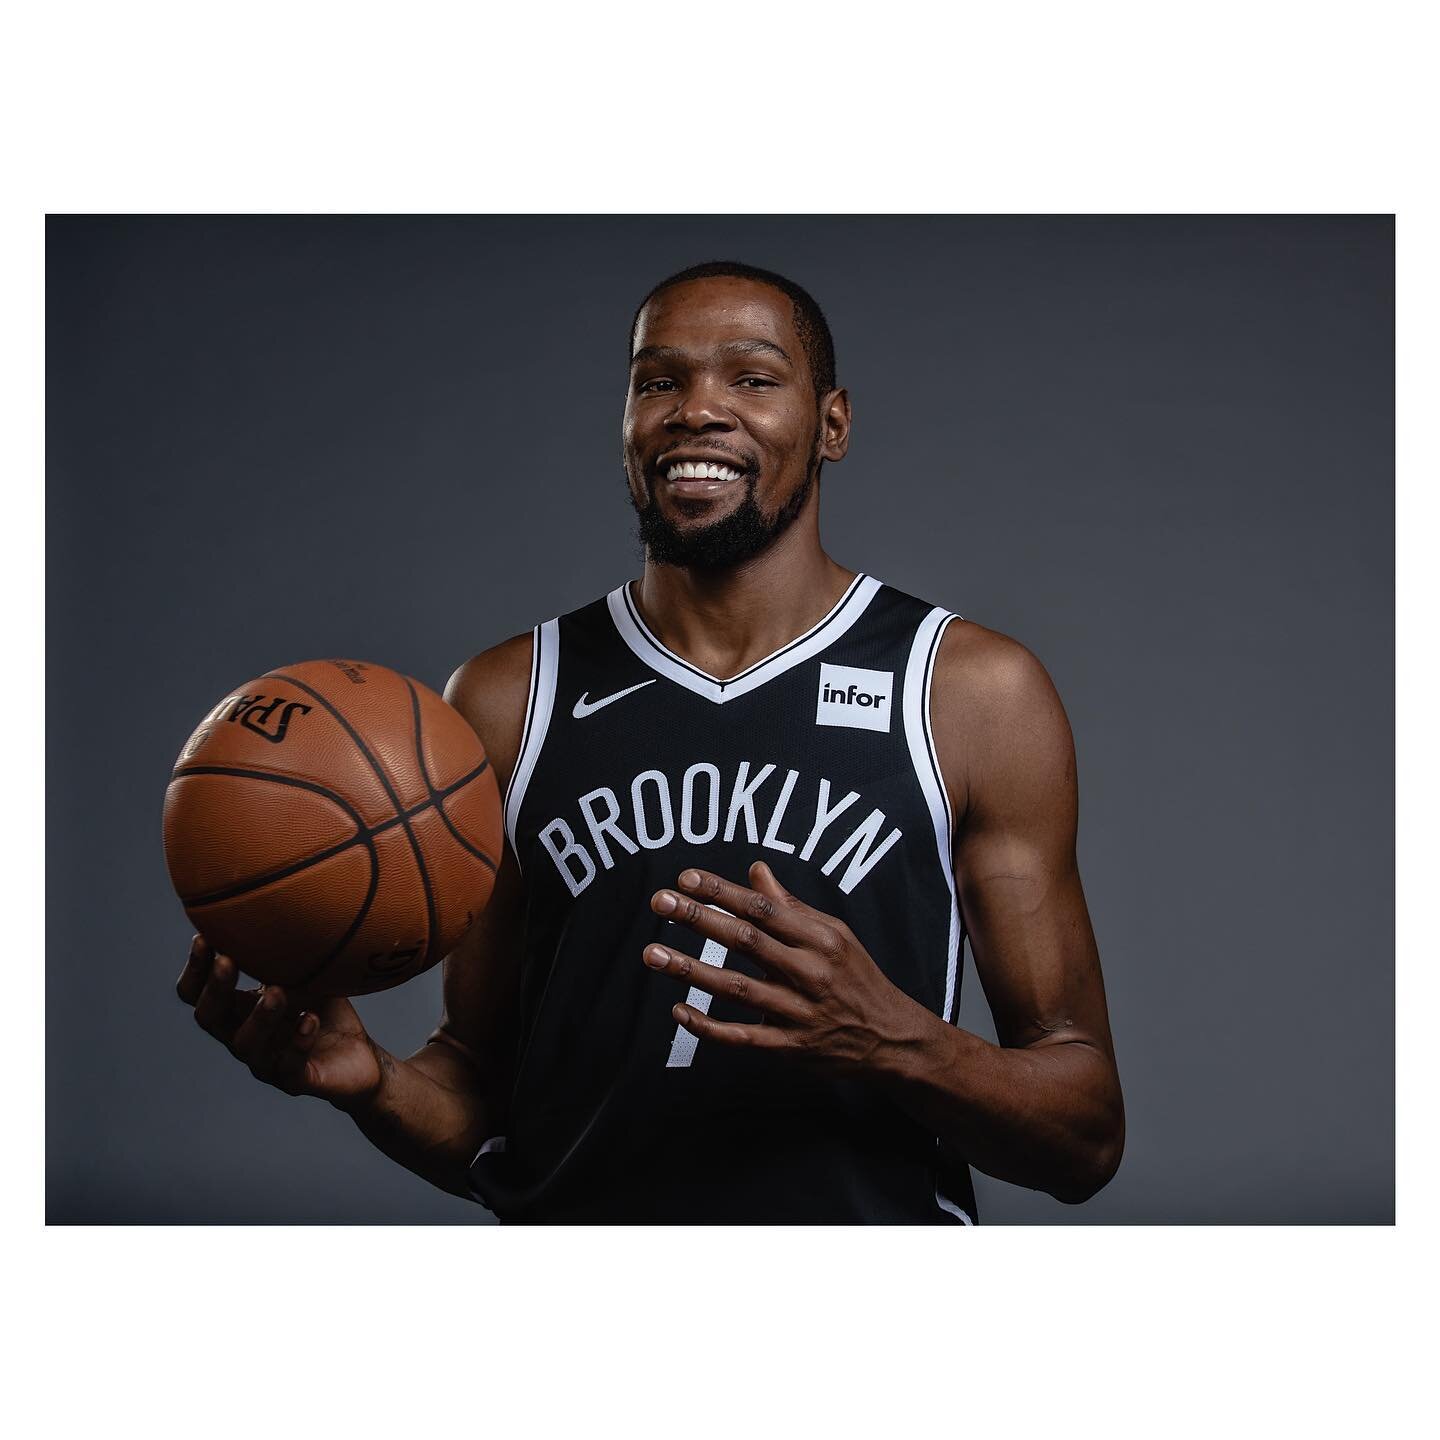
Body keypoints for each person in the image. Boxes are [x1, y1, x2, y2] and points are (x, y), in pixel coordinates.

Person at [176, 260, 1124, 1223]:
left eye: (752, 378)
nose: (696, 411)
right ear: (625, 422)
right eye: (658, 381)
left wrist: (896, 1042)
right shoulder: (510, 698)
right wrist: (374, 1084)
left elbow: (1085, 1137)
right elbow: (480, 1098)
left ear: (833, 423)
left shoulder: (967, 692)